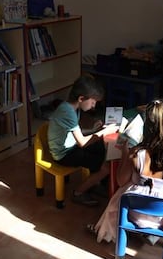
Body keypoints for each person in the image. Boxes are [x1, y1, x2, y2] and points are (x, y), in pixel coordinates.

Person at [88, 99, 163, 244]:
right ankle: (153, 233)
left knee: (123, 191)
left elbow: (120, 181)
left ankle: (107, 232)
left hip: (134, 211)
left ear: (146, 128)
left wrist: (125, 154)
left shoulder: (136, 153)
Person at [48, 74, 118, 206]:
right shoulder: (67, 111)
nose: (93, 106)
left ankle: (95, 182)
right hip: (63, 154)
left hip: (71, 146)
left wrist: (93, 130)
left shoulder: (73, 108)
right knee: (106, 167)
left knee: (103, 150)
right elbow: (82, 142)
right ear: (81, 98)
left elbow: (76, 132)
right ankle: (78, 193)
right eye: (93, 102)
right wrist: (103, 132)